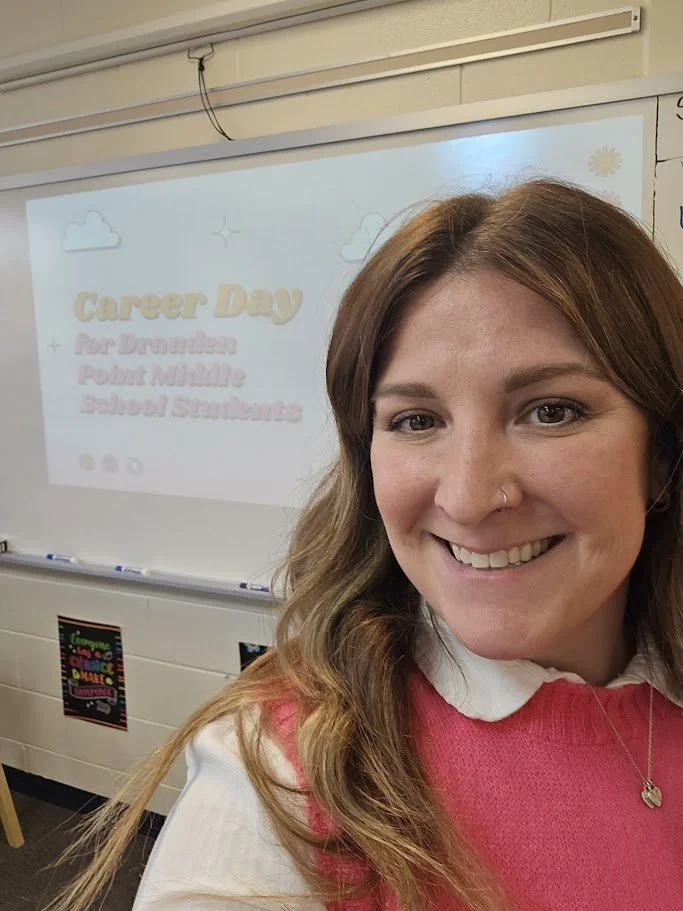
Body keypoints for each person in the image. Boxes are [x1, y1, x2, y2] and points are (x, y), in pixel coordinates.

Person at [46, 180, 683, 911]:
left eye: (551, 410)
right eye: (415, 420)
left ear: (660, 452)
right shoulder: (278, 782)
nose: (469, 496)